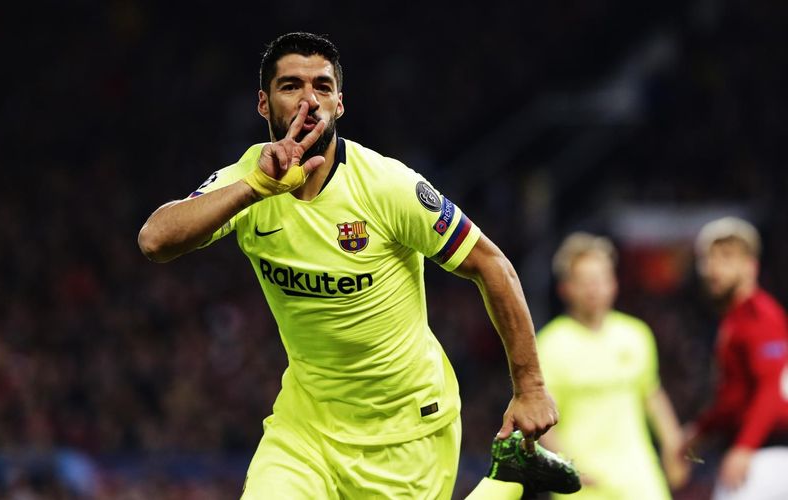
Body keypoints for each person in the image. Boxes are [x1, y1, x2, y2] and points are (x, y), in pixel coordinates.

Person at [137, 32, 579, 499]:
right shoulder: (249, 179)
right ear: (263, 104)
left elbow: (492, 264)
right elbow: (154, 240)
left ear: (340, 104)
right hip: (305, 428)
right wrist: (255, 188)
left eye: (322, 87)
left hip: (406, 431)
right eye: (291, 86)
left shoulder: (387, 186)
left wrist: (530, 387)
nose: (309, 100)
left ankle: (505, 482)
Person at [535, 232, 689, 499]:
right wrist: (565, 465)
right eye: (584, 281)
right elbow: (542, 421)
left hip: (639, 478)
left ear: (613, 283)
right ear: (565, 288)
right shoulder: (549, 344)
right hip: (583, 483)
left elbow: (651, 395)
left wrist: (673, 446)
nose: (593, 289)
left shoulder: (636, 334)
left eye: (600, 279)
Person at [682, 216, 788, 499]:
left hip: (770, 453)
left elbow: (771, 387)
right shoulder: (734, 320)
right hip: (756, 450)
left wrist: (744, 447)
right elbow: (733, 398)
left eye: (726, 258)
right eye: (708, 259)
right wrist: (701, 430)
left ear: (750, 266)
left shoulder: (760, 316)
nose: (713, 268)